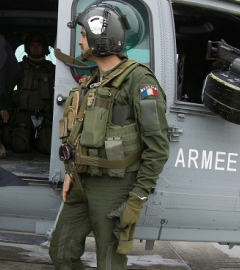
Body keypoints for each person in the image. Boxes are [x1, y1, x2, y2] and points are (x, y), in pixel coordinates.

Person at [49, 3, 169, 270]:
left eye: (83, 34)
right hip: (81, 182)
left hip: (114, 188)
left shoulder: (138, 81)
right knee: (61, 252)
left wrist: (137, 197)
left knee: (109, 263)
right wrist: (72, 171)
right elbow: (80, 130)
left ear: (99, 37)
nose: (79, 41)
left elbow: (157, 147)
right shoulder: (91, 81)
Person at [0, 32, 55, 154]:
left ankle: (37, 139)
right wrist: (4, 109)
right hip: (24, 114)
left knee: (48, 148)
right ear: (27, 47)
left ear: (44, 47)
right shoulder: (19, 68)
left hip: (45, 115)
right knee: (19, 147)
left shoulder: (52, 69)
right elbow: (6, 89)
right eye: (32, 45)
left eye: (38, 45)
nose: (35, 48)